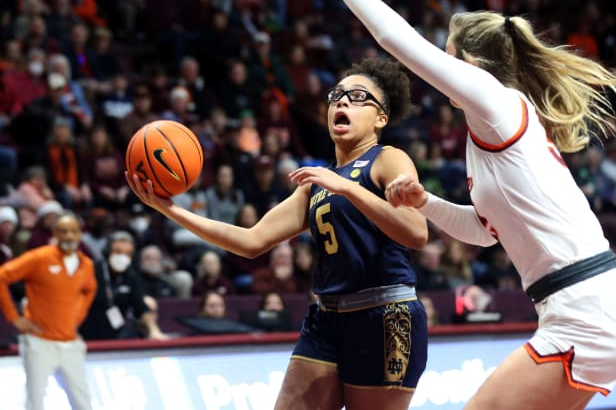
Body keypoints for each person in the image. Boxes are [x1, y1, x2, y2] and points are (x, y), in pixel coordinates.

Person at [308, 0, 616, 408]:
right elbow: (486, 233)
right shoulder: (491, 128)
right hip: (586, 307)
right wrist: (424, 201)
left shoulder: (494, 100)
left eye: (447, 55)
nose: (440, 66)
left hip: (585, 309)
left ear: (468, 64)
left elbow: (397, 41)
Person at [126, 55, 429, 409]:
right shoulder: (317, 184)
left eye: (359, 97)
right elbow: (251, 241)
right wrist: (169, 209)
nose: (343, 101)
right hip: (327, 317)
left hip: (386, 315)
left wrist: (348, 188)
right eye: (337, 96)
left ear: (381, 118)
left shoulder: (388, 159)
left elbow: (416, 231)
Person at [0, 212, 97, 410]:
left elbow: (90, 289)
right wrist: (14, 317)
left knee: (83, 402)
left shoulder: (86, 265)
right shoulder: (39, 257)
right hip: (39, 342)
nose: (69, 236)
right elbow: (2, 277)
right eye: (63, 232)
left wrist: (78, 315)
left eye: (73, 232)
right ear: (55, 234)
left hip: (70, 343)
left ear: (80, 234)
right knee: (35, 401)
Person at [79, 231, 168, 341]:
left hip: (115, 334)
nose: (122, 257)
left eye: (127, 254)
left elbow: (141, 307)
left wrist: (154, 330)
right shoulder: (93, 270)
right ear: (108, 252)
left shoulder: (130, 275)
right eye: (118, 252)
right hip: (87, 333)